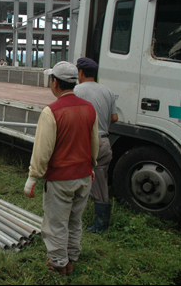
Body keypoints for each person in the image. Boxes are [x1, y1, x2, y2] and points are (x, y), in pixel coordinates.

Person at [24, 61, 99, 276]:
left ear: (55, 82)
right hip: (84, 176)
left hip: (60, 180)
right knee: (75, 221)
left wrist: (33, 177)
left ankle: (58, 264)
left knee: (56, 223)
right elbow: (94, 143)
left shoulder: (52, 112)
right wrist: (91, 166)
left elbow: (42, 150)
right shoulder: (88, 108)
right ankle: (71, 258)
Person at [74, 57, 118, 233]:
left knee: (73, 178)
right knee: (100, 182)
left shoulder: (76, 90)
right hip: (104, 142)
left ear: (81, 73)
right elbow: (114, 118)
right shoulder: (107, 91)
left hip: (84, 142)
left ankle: (72, 216)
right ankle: (101, 223)